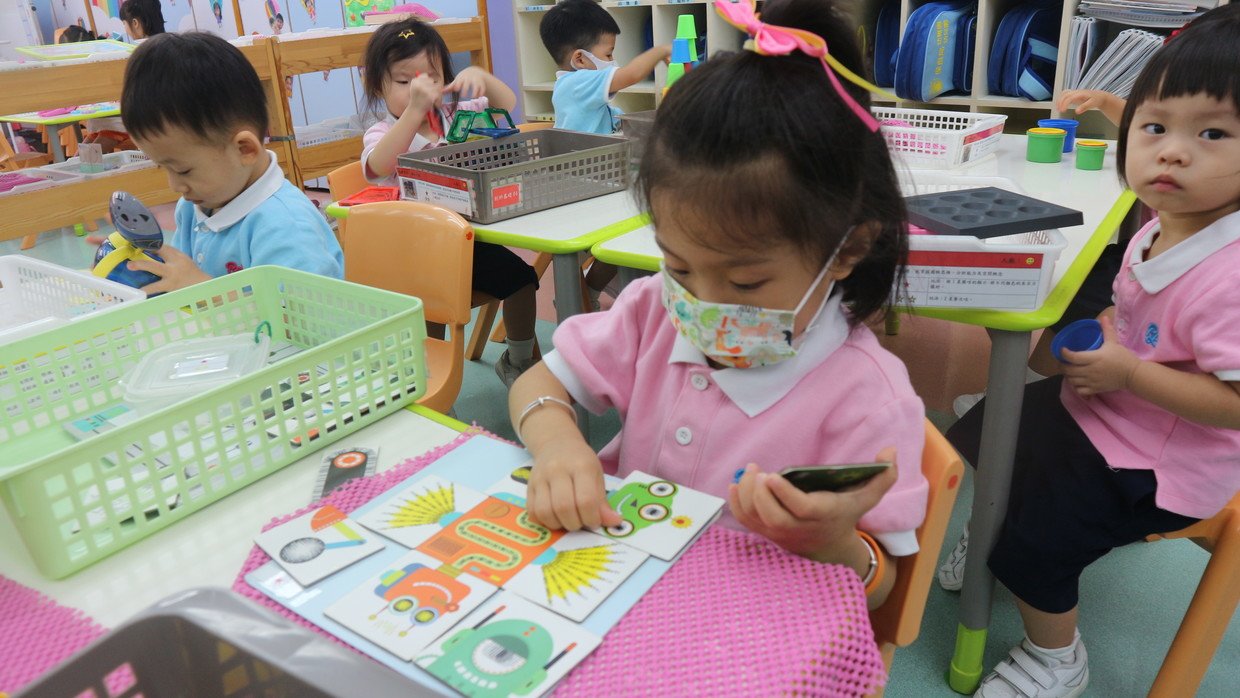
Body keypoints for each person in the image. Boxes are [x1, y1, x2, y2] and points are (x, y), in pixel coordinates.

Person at [508, 0, 929, 610]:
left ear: (848, 250)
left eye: (746, 283)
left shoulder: (870, 400)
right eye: (679, 266)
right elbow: (538, 382)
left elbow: (883, 590)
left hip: (744, 627)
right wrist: (557, 443)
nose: (701, 304)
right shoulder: (653, 309)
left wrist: (834, 543)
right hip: (616, 595)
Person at [944, 6, 1240, 695]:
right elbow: (1138, 309)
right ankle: (993, 530)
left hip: (1166, 461)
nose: (1171, 152)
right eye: (1155, 127)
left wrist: (1130, 371)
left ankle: (1056, 657)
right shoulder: (1164, 223)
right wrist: (1114, 328)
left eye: (1213, 133)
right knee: (994, 426)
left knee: (1037, 539)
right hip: (1111, 407)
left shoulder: (1230, 275)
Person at [359, 19, 540, 387]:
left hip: (467, 242)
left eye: (431, 78)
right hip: (414, 253)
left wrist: (481, 77)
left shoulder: (454, 114)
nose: (421, 89)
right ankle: (430, 382)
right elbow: (378, 166)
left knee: (523, 282)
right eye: (405, 82)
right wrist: (413, 111)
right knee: (430, 315)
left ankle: (518, 360)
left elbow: (507, 104)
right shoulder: (383, 132)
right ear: (378, 86)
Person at [120, 33, 343, 294]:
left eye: (183, 170)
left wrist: (204, 290)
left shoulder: (286, 226)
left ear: (245, 149)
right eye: (163, 167)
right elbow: (180, 280)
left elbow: (302, 315)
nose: (175, 185)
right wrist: (137, 270)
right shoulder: (194, 207)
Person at [539, 0, 672, 305]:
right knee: (637, 231)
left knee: (627, 239)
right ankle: (577, 296)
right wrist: (660, 51)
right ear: (580, 59)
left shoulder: (594, 99)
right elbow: (630, 75)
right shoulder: (576, 84)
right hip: (581, 190)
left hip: (602, 184)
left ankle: (587, 291)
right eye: (608, 54)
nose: (614, 62)